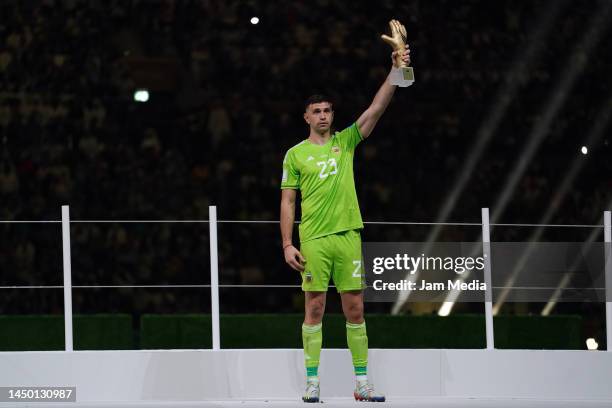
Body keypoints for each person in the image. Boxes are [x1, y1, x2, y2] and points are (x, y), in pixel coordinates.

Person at [279, 34, 411, 402]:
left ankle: (362, 382)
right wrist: (288, 244)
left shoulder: (346, 141)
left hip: (348, 236)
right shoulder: (294, 155)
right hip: (315, 241)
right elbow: (288, 203)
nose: (322, 115)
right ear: (306, 117)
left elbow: (376, 108)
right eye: (316, 111)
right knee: (315, 308)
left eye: (327, 110)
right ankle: (312, 381)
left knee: (355, 309)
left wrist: (395, 70)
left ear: (332, 115)